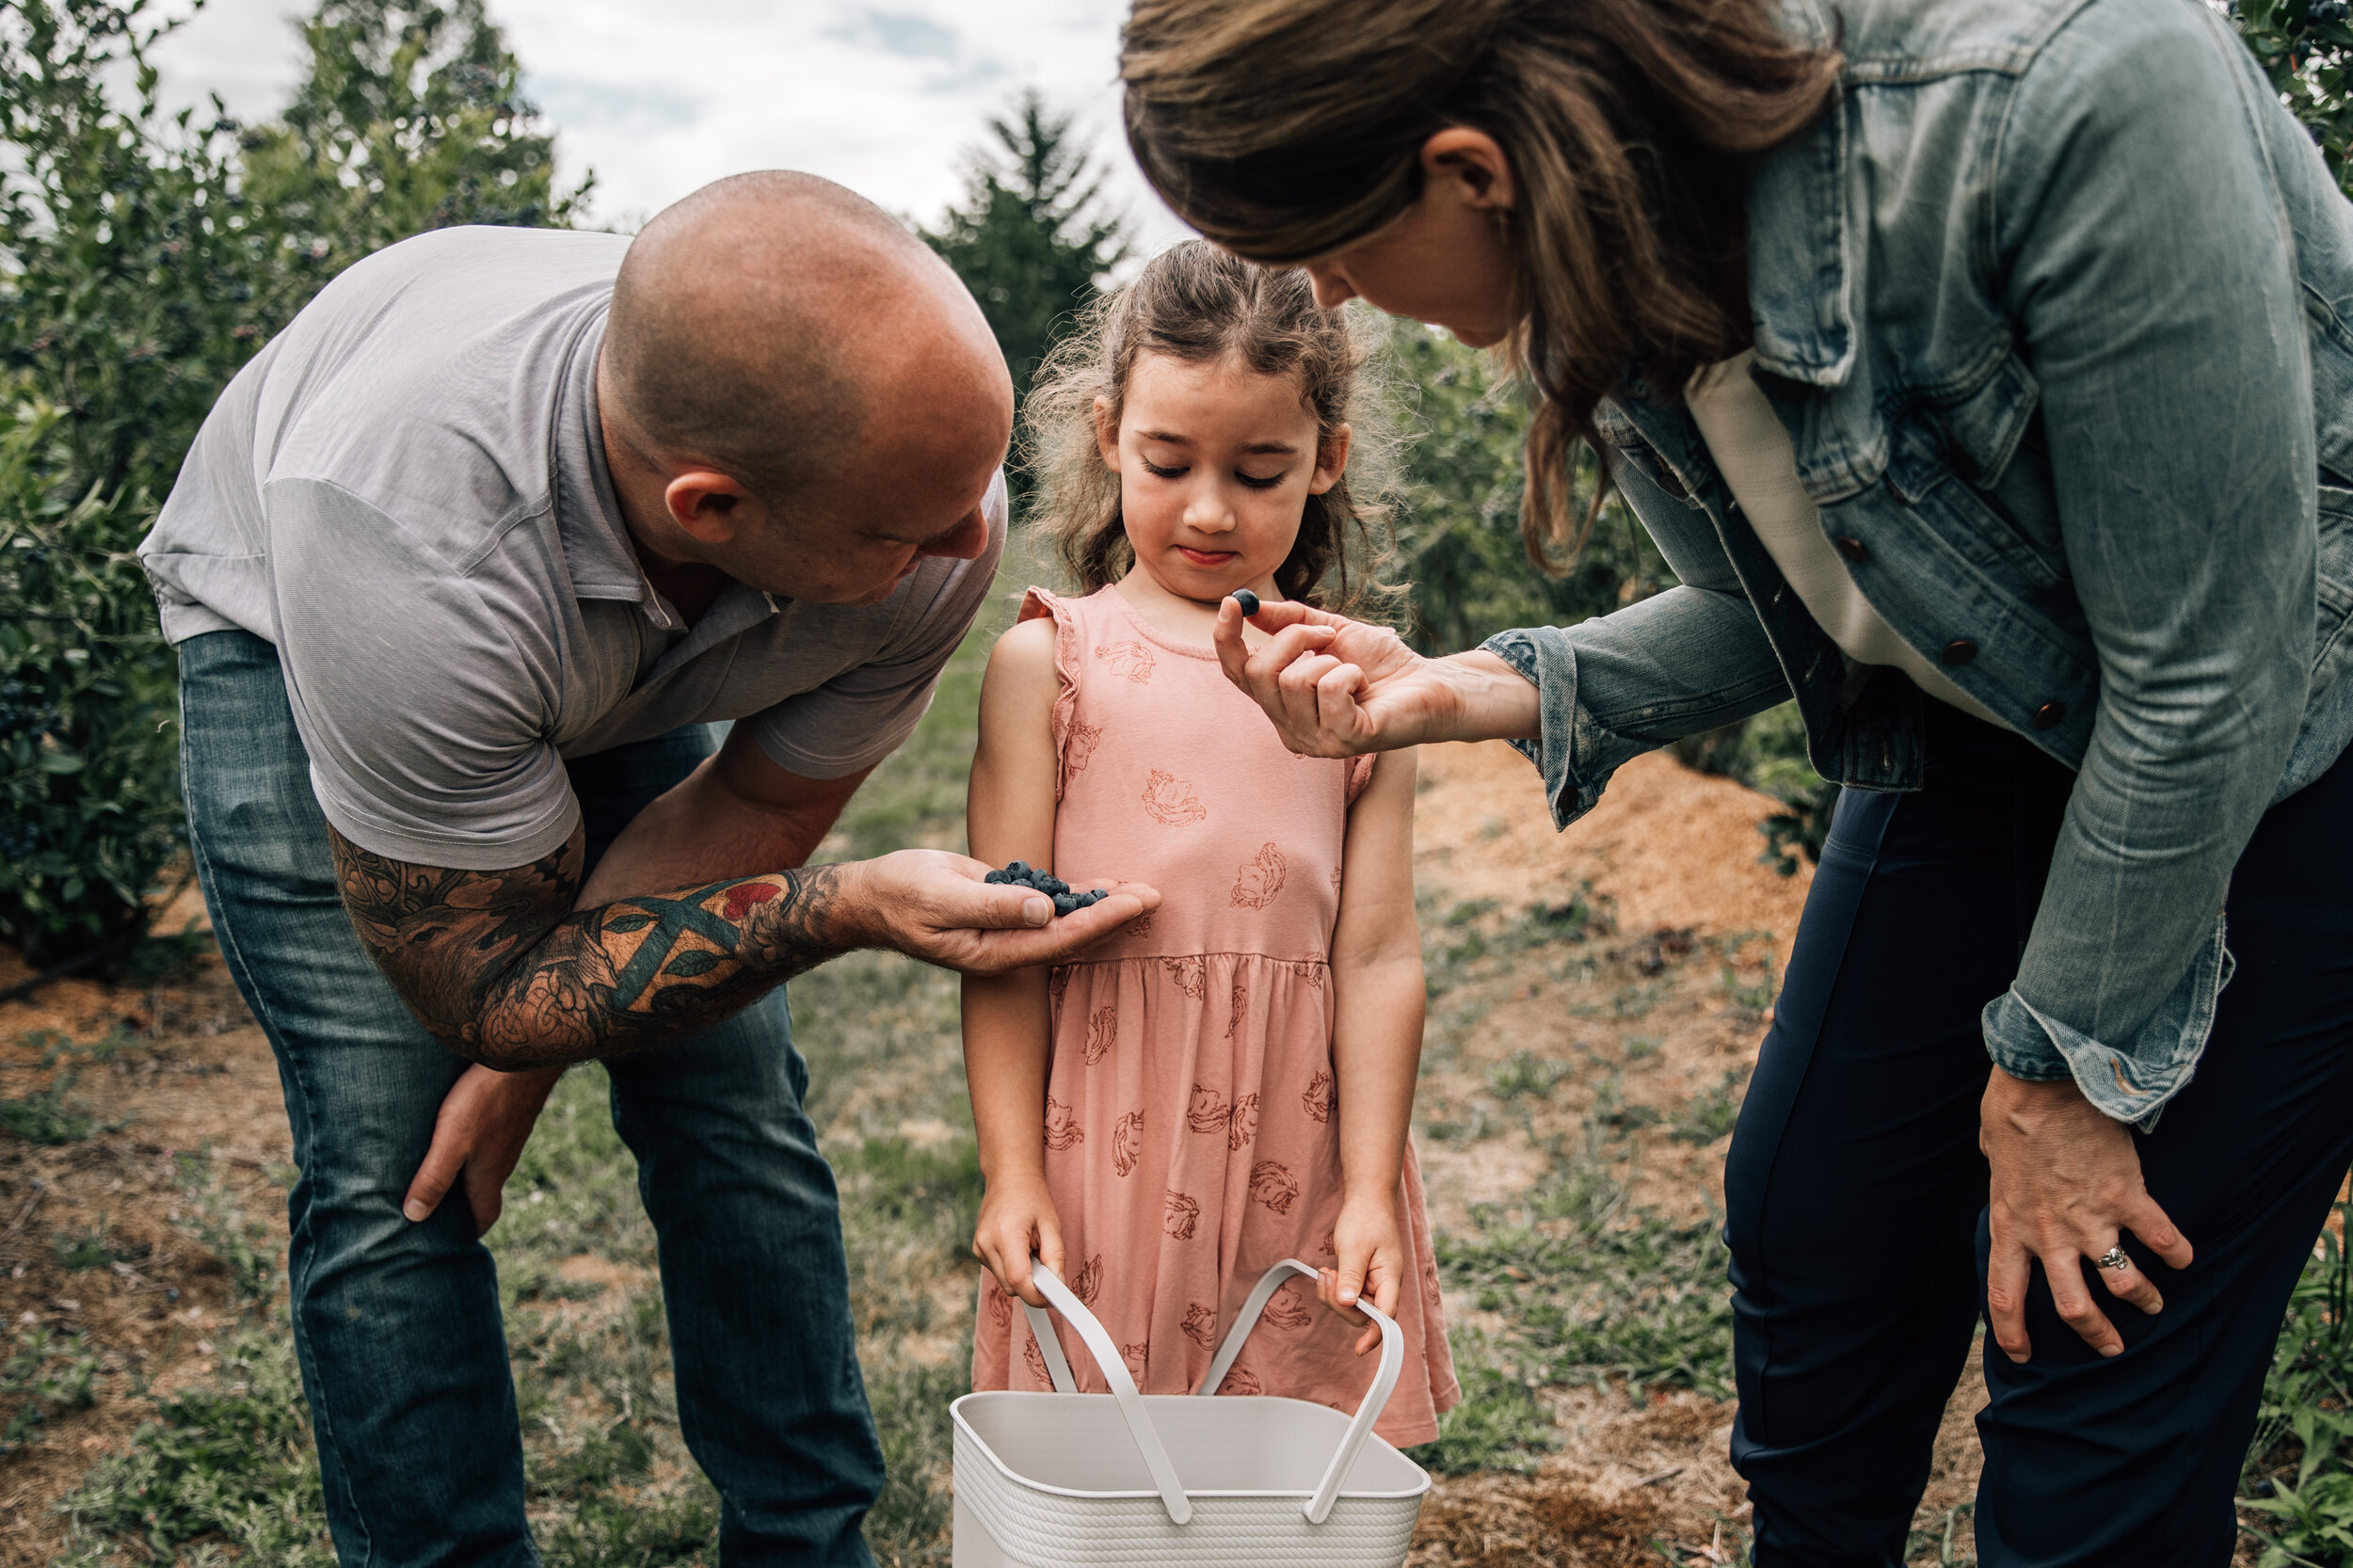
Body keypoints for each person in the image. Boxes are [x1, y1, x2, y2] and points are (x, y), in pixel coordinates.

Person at [1117, 0, 2353, 1561]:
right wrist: (1455, 690)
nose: (1340, 303)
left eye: (1338, 257)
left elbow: (2206, 671)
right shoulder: (1615, 244)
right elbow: (1776, 601)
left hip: (2284, 750)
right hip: (1987, 722)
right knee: (1815, 1222)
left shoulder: (2073, 88)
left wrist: (2064, 1080)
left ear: (1468, 169)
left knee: (2093, 1342)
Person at [138, 172, 1156, 1568]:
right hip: (307, 634)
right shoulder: (404, 550)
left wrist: (533, 1044)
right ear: (713, 506)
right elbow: (482, 983)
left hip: (606, 615)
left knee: (728, 1098)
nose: (971, 552)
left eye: (967, 493)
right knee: (399, 1167)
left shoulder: (918, 491)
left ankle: (805, 1546)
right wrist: (833, 909)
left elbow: (752, 793)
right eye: (910, 532)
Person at [959, 243, 1458, 1444]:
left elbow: (1378, 952)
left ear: (1325, 460)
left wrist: (1371, 1184)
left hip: (1303, 1145)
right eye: (1167, 461)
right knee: (1112, 1472)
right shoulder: (1049, 664)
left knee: (1279, 1480)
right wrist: (1014, 1173)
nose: (1209, 509)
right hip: (1103, 1156)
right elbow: (1003, 944)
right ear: (1107, 431)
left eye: (1260, 468)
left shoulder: (1357, 687)